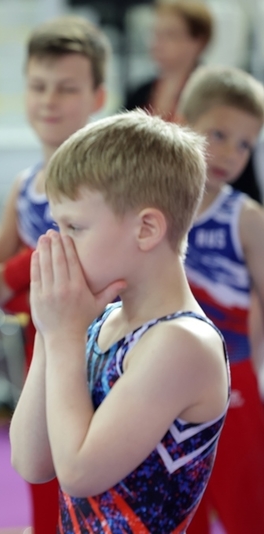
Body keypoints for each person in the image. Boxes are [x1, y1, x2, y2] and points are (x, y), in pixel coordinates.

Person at [10, 109, 229, 532]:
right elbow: (31, 461)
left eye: (74, 227)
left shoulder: (182, 342)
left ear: (146, 229)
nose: (57, 244)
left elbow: (78, 473)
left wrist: (64, 335)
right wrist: (50, 332)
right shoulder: (99, 321)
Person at [0, 16, 109, 533]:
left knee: (103, 493)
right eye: (38, 86)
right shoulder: (25, 185)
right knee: (43, 491)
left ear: (98, 97)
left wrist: (28, 267)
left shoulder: (113, 179)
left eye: (67, 88)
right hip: (43, 358)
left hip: (107, 351)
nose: (49, 100)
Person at [174, 65, 264, 534]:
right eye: (220, 135)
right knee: (179, 510)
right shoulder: (154, 209)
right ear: (183, 124)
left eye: (245, 144)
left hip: (235, 381)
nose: (231, 153)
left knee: (246, 507)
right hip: (163, 379)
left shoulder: (246, 218)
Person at [125, 0, 213, 122]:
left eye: (170, 35)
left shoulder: (211, 96)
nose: (157, 44)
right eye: (156, 34)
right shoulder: (139, 93)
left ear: (198, 41)